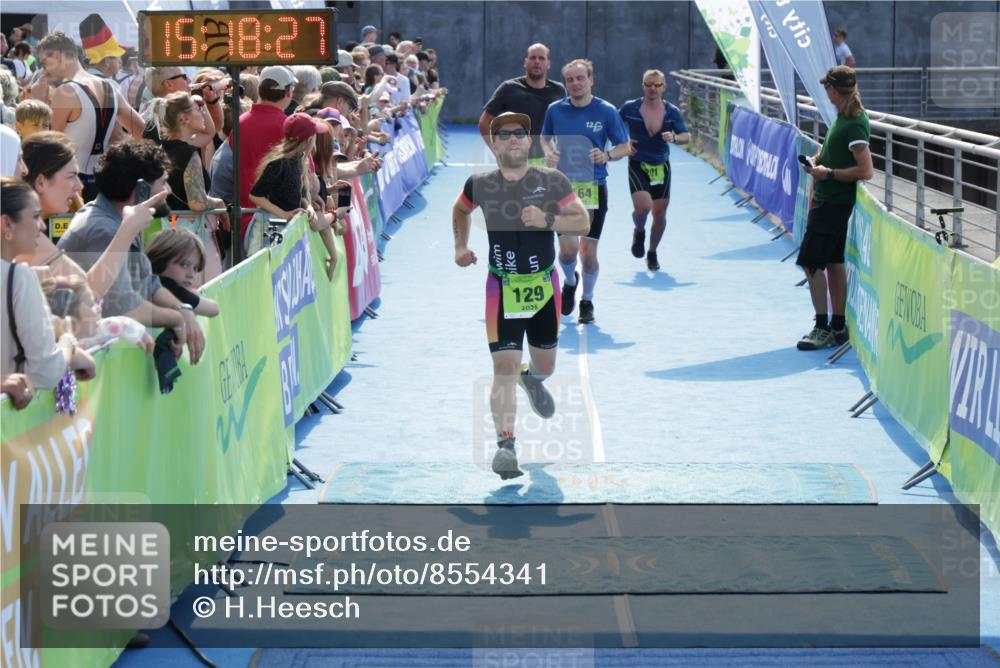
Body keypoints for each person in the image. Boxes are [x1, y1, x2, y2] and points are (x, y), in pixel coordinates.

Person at [452, 112, 590, 479]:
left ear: (529, 141)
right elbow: (460, 209)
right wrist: (460, 246)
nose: (513, 138)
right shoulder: (480, 184)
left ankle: (533, 379)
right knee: (504, 368)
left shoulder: (552, 180)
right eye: (504, 134)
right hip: (501, 288)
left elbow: (582, 221)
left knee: (545, 366)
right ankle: (506, 446)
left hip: (543, 287)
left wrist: (547, 220)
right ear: (494, 144)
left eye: (520, 133)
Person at [57, 139, 205, 364]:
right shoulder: (103, 229)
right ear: (141, 190)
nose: (168, 191)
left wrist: (183, 309)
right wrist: (177, 318)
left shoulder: (116, 218)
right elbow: (124, 306)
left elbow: (149, 284)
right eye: (163, 183)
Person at [541, 59, 630, 324]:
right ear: (565, 83)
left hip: (593, 188)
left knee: (588, 254)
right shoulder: (555, 110)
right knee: (568, 251)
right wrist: (549, 153)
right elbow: (545, 137)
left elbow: (624, 146)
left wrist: (607, 155)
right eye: (570, 79)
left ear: (591, 80)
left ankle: (587, 300)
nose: (576, 83)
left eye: (581, 78)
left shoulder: (607, 111)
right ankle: (570, 281)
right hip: (562, 188)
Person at [796, 66, 873, 350]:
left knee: (811, 262)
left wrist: (828, 174)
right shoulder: (845, 116)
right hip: (831, 200)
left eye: (827, 87)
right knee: (833, 262)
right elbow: (836, 150)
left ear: (833, 89)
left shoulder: (853, 122)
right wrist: (819, 160)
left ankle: (822, 327)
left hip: (832, 202)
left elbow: (866, 170)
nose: (825, 92)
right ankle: (838, 327)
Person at [1, 177, 97, 389]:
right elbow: (45, 373)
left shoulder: (20, 275)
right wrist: (68, 344)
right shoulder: (19, 276)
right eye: (35, 217)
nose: (42, 226)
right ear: (7, 223)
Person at [37, 31, 145, 201]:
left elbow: (47, 148)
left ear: (58, 56)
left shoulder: (65, 91)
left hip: (72, 188)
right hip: (105, 184)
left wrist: (38, 102)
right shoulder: (110, 87)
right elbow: (141, 131)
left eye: (45, 63)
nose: (45, 71)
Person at [618, 69, 690, 271]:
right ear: (643, 86)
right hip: (637, 163)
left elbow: (686, 136)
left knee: (660, 213)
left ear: (664, 87)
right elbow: (612, 124)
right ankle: (639, 230)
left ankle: (652, 252)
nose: (652, 88)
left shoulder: (672, 111)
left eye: (657, 85)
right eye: (648, 84)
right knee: (643, 208)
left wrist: (674, 138)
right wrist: (623, 142)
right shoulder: (630, 108)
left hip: (661, 165)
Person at [151, 91, 227, 278]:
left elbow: (210, 131)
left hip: (169, 235)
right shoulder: (188, 154)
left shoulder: (161, 150)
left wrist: (203, 104)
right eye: (198, 110)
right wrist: (219, 204)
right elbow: (197, 202)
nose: (202, 113)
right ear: (184, 118)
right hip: (192, 239)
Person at [479, 43, 566, 166]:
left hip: (547, 162)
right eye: (533, 57)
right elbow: (484, 122)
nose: (537, 61)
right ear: (525, 62)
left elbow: (564, 125)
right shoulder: (509, 88)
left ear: (548, 64)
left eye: (541, 58)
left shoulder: (559, 90)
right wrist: (497, 152)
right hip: (515, 161)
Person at [145, 228, 220, 316]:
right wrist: (195, 296)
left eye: (195, 268)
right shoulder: (167, 286)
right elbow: (214, 309)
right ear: (161, 261)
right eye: (184, 265)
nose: (191, 274)